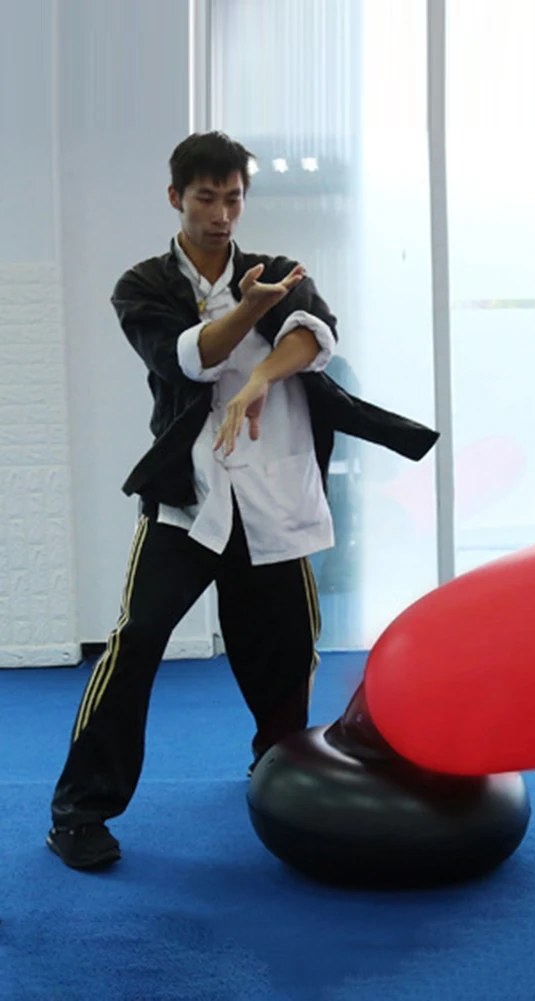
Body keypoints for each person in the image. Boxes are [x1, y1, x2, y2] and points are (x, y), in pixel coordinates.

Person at [47, 131, 438, 870]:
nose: (221, 214)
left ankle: (279, 773)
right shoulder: (142, 284)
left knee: (286, 656)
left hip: (273, 495)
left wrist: (261, 377)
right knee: (135, 642)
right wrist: (247, 309)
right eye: (206, 198)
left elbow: (314, 337)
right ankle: (79, 812)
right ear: (176, 197)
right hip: (189, 500)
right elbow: (186, 359)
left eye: (233, 199)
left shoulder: (280, 270)